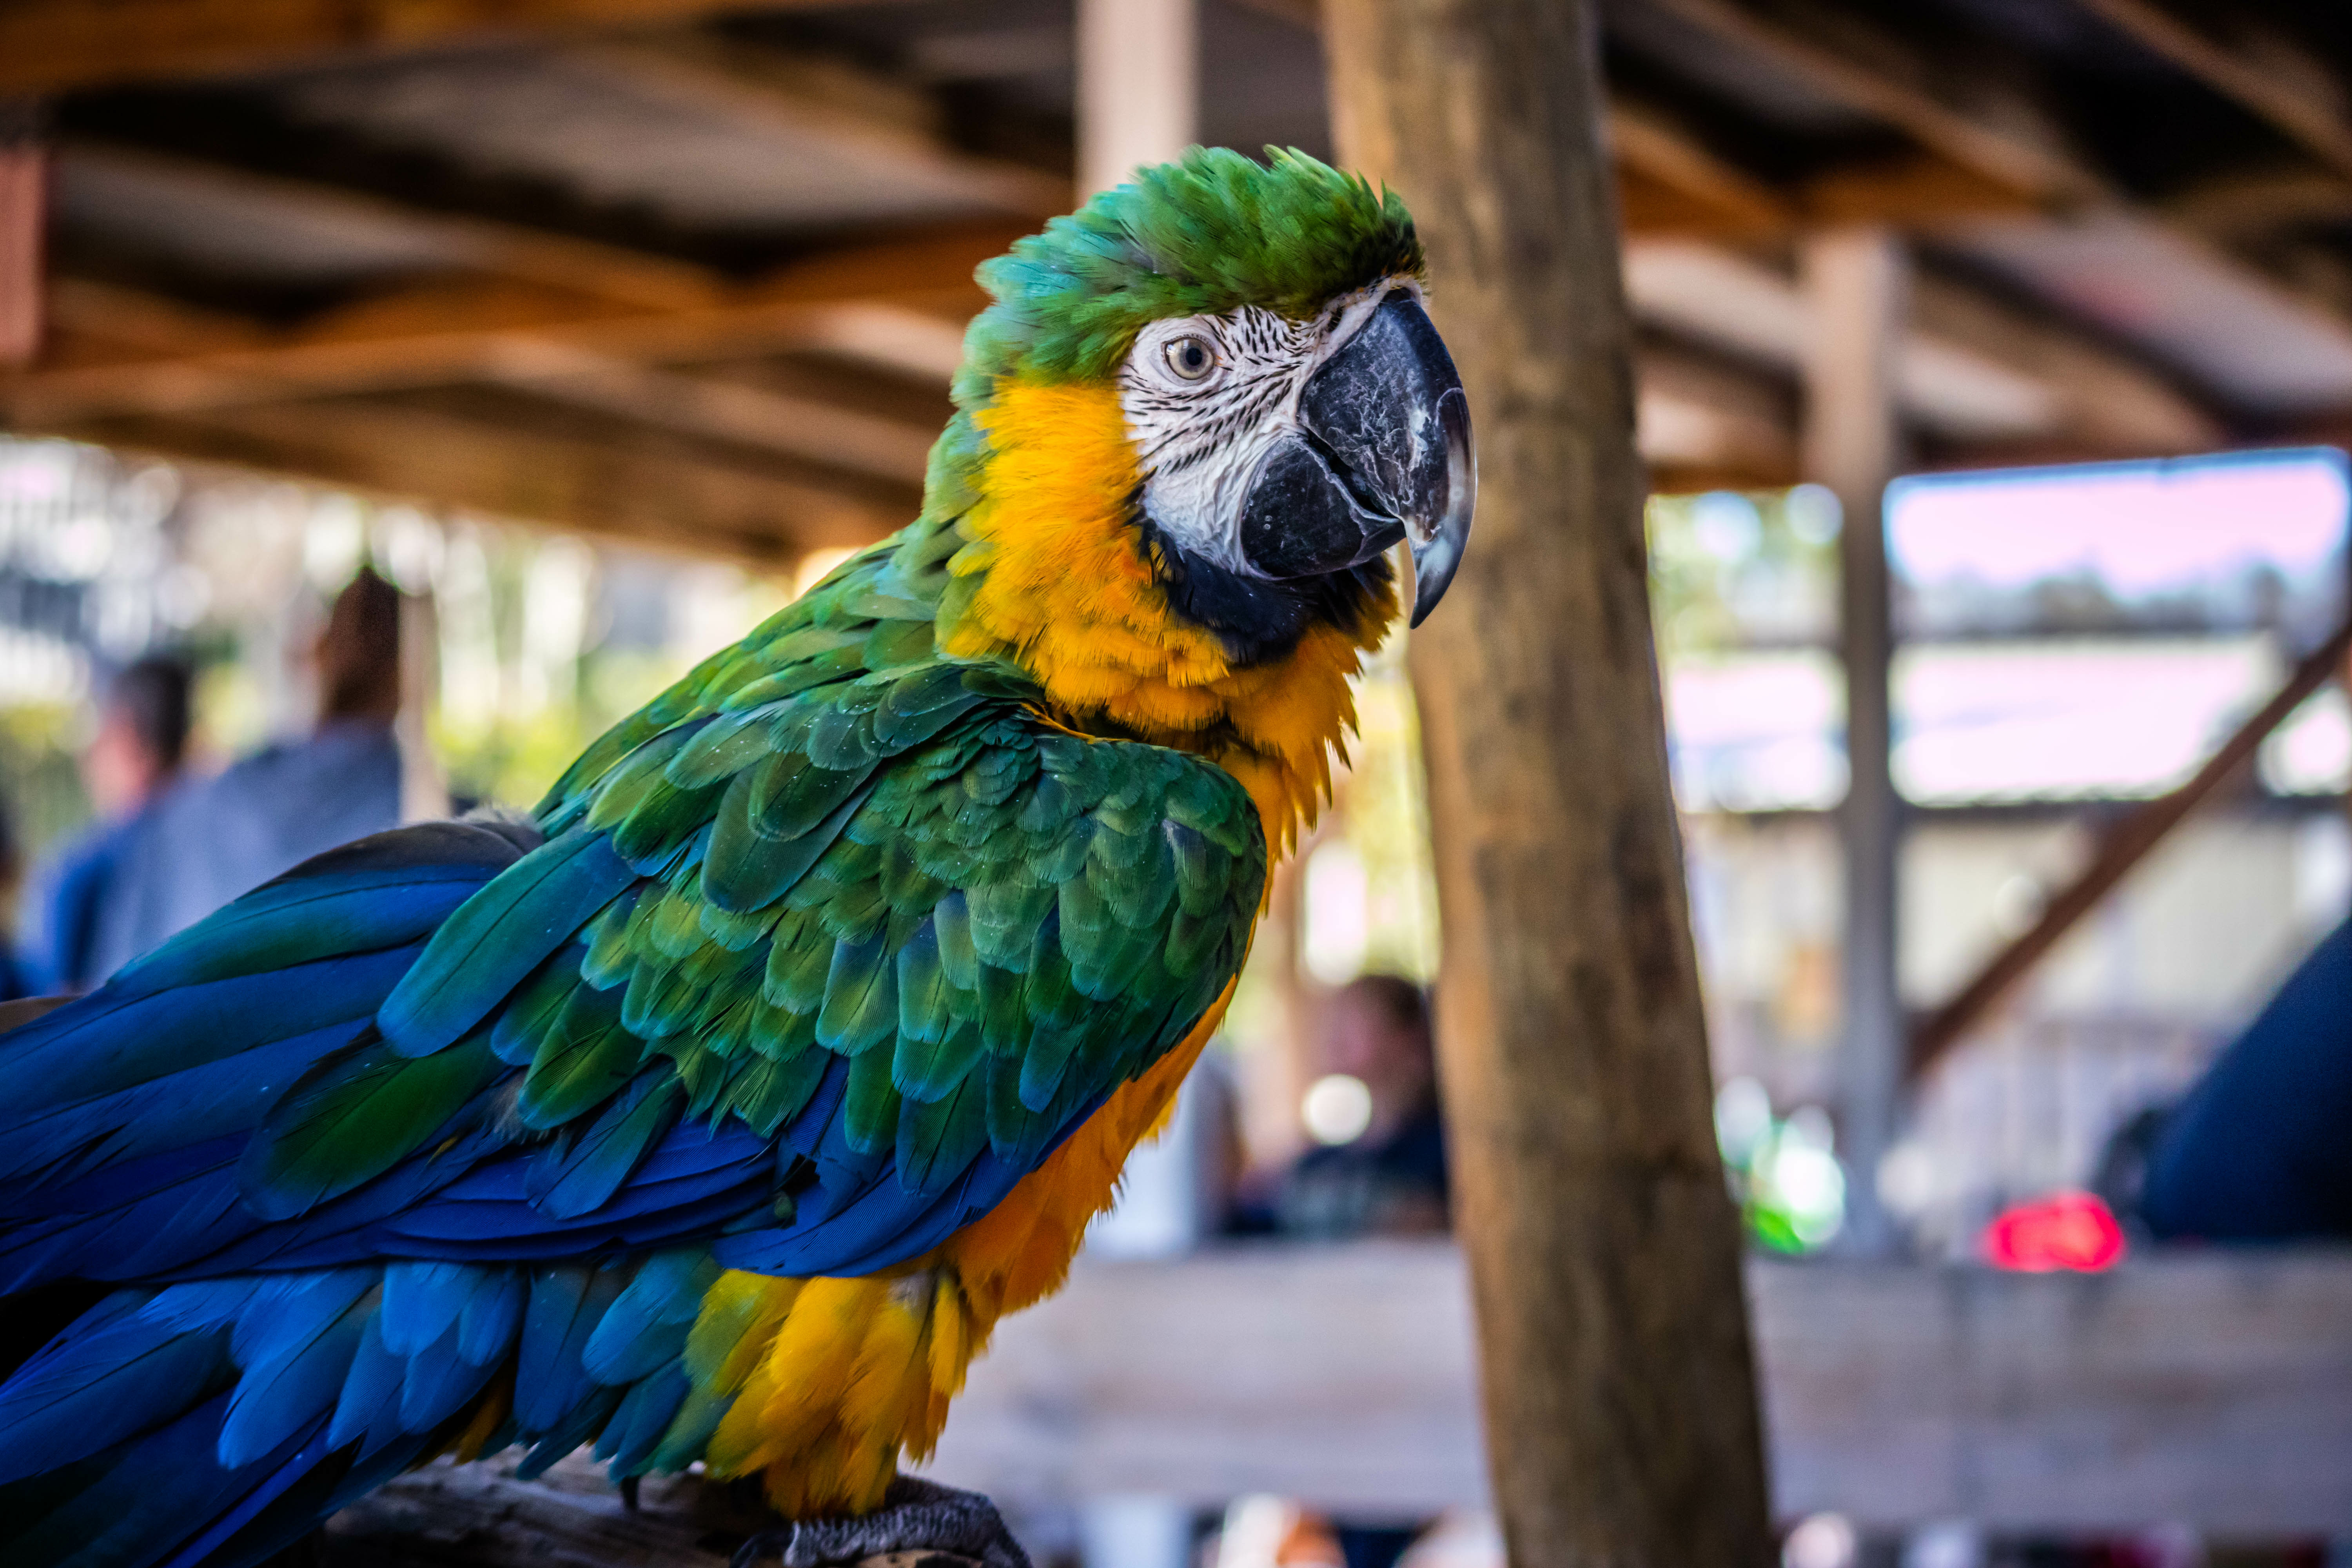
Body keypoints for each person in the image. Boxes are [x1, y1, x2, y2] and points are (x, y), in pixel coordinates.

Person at [88, 568, 407, 978]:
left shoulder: (199, 809)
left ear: (311, 651)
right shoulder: (445, 825)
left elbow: (114, 990)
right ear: (410, 673)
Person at [16, 655, 192, 994]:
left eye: (98, 732)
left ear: (125, 734)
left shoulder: (83, 873)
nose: (89, 754)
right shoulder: (226, 840)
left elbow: (46, 1013)